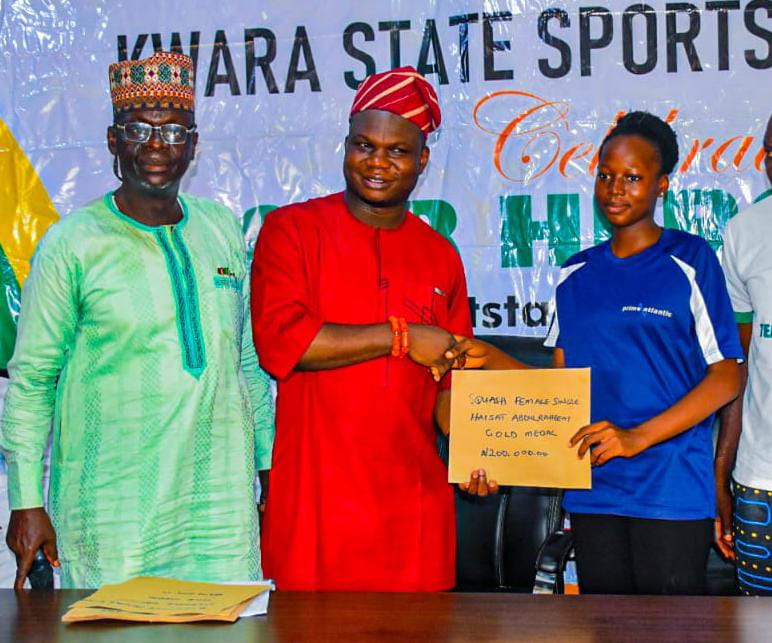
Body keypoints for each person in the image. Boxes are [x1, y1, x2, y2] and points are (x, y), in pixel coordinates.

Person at [0, 51, 274, 589]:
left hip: (219, 510)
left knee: (226, 622)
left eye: (173, 132)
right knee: (114, 624)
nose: (156, 146)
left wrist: (267, 464)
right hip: (112, 512)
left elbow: (246, 361)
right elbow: (32, 381)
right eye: (138, 130)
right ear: (113, 141)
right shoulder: (72, 244)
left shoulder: (220, 229)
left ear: (193, 145)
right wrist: (26, 500)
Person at [447, 112, 742, 594]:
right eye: (606, 175)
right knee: (605, 624)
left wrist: (636, 438)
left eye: (632, 177)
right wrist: (487, 363)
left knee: (669, 627)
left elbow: (727, 376)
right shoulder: (575, 273)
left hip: (669, 489)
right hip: (593, 491)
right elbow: (561, 392)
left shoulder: (690, 260)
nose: (615, 189)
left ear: (662, 185)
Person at [251, 67, 476, 591]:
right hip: (315, 510)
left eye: (397, 151)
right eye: (364, 145)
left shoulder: (440, 255)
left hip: (412, 515)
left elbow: (454, 383)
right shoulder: (292, 231)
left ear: (422, 160)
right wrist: (403, 337)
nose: (377, 163)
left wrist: (478, 453)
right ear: (346, 145)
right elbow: (284, 344)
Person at [715, 114, 772, 595]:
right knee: (757, 622)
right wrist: (722, 473)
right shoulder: (745, 232)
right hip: (761, 476)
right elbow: (739, 364)